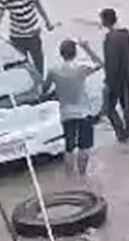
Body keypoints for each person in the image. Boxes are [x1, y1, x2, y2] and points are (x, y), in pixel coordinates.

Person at [44, 40, 102, 176]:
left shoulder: (53, 70)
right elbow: (100, 64)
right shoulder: (81, 68)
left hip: (66, 114)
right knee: (84, 147)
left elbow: (44, 89)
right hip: (84, 113)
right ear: (75, 53)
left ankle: (69, 177)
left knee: (69, 147)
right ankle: (82, 176)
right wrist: (87, 48)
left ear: (60, 53)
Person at [0, 0, 54, 77]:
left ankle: (40, 83)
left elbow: (39, 6)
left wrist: (47, 22)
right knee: (21, 66)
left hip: (33, 34)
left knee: (39, 62)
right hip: (17, 37)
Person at [96, 8, 129, 142]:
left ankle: (121, 134)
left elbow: (111, 62)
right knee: (127, 107)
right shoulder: (126, 34)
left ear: (106, 21)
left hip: (116, 80)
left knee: (108, 108)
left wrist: (108, 82)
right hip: (128, 77)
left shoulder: (110, 38)